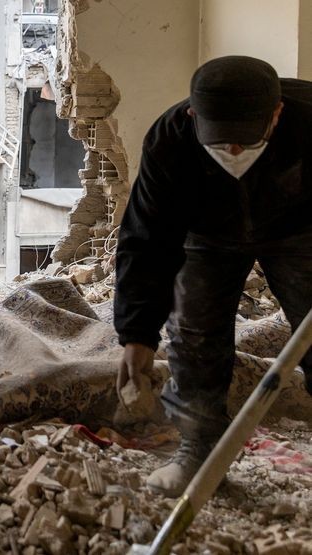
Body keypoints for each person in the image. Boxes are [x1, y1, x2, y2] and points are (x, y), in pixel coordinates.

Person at [114, 55, 312, 498]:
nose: (235, 152)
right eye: (222, 141)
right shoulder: (169, 141)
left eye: (246, 140)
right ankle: (200, 451)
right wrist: (137, 333)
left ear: (276, 115)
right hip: (208, 234)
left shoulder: (309, 122)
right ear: (193, 116)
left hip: (300, 229)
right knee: (193, 333)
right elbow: (146, 241)